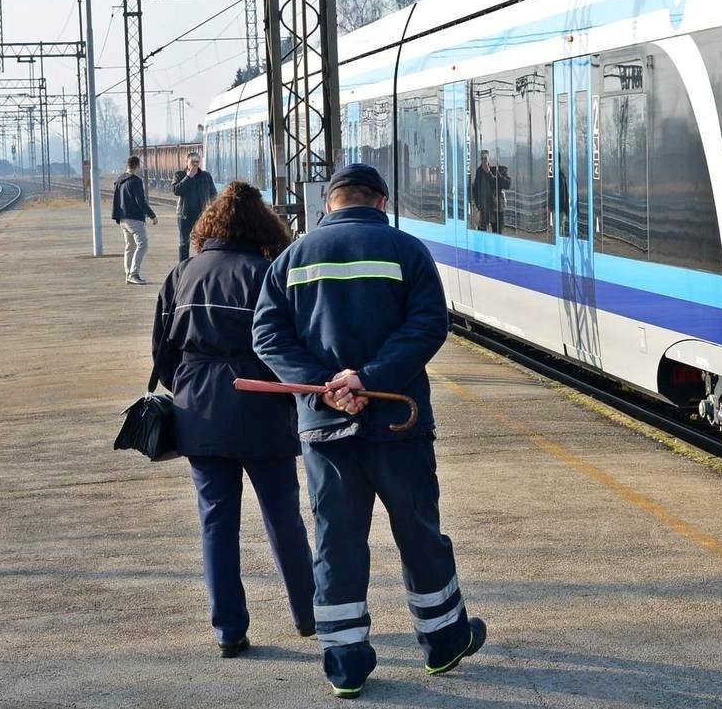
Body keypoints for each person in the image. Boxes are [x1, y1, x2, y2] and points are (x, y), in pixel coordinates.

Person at [252, 163, 485, 699]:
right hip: (397, 422)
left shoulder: (291, 259)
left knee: (336, 542)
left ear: (328, 204)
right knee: (419, 532)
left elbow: (266, 333)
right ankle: (445, 639)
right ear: (381, 202)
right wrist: (368, 379)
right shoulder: (406, 251)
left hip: (324, 429)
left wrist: (324, 385)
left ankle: (345, 662)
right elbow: (428, 324)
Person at [150, 181, 316, 657]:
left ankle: (229, 631)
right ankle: (308, 615)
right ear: (262, 226)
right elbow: (293, 345)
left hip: (199, 411)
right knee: (284, 517)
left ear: (210, 225)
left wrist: (188, 387)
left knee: (216, 523)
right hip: (264, 406)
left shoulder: (181, 275)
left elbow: (162, 354)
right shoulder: (269, 273)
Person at [112, 155, 159, 285]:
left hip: (123, 219)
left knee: (130, 246)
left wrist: (117, 217)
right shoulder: (135, 181)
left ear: (127, 165)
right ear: (137, 166)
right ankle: (134, 273)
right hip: (134, 219)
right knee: (143, 245)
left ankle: (128, 274)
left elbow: (115, 200)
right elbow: (141, 202)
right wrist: (152, 215)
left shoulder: (120, 180)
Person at [172, 151, 219, 262]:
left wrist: (214, 209)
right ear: (187, 162)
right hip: (185, 214)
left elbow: (213, 194)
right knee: (184, 242)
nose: (195, 164)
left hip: (202, 214)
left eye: (197, 162)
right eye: (192, 162)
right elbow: (176, 190)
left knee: (205, 240)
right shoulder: (179, 175)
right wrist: (188, 177)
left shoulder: (206, 176)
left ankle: (204, 264)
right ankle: (183, 265)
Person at [470, 150, 501, 232]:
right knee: (481, 229)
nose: (484, 160)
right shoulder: (478, 171)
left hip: (492, 207)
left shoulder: (493, 170)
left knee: (495, 230)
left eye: (485, 158)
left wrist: (488, 172)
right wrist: (477, 203)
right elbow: (475, 188)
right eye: (482, 158)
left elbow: (497, 184)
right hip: (482, 207)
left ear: (488, 159)